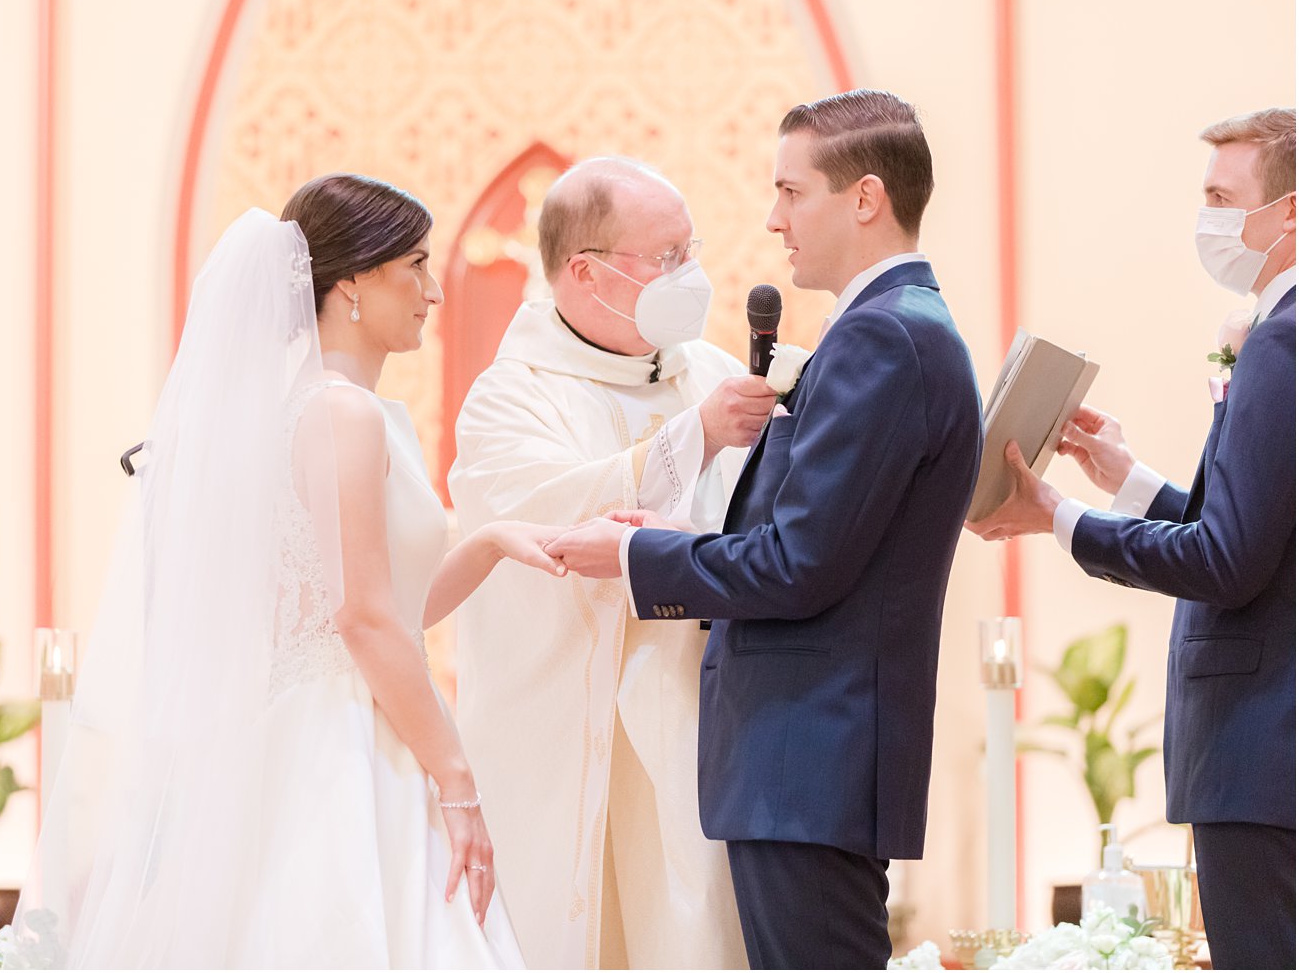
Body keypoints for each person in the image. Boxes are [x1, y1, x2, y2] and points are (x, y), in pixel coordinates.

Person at [16, 174, 567, 968]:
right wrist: (455, 776)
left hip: (335, 710)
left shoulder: (325, 410)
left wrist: (486, 543)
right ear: (350, 283)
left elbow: (388, 605)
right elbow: (363, 619)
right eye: (413, 264)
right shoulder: (341, 413)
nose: (435, 289)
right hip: (342, 735)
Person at [548, 90, 983, 970]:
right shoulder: (892, 328)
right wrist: (678, 527)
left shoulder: (883, 340)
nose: (773, 220)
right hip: (814, 756)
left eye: (791, 192)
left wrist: (639, 555)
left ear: (864, 198)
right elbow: (816, 540)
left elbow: (798, 565)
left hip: (809, 748)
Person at [967, 108, 1295, 970]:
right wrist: (1130, 479)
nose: (1209, 219)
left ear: (1290, 213)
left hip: (1262, 749)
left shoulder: (1282, 342)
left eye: (1225, 198)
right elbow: (1257, 532)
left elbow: (1227, 562)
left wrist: (1059, 518)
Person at [448, 157, 765, 969]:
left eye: (690, 250)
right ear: (585, 273)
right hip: (558, 739)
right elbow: (548, 522)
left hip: (694, 729)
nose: (688, 275)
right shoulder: (514, 395)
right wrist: (691, 437)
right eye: (664, 258)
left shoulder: (718, 374)